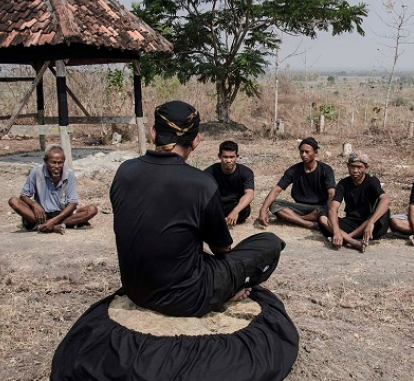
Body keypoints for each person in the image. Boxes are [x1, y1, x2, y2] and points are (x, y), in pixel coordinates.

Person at [110, 101, 285, 317]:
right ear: (196, 140)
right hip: (186, 299)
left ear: (153, 133)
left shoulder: (124, 171)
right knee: (270, 243)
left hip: (136, 290)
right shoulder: (201, 183)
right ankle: (226, 292)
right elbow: (222, 250)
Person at [8, 145, 98, 234]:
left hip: (61, 215)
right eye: (53, 162)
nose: (57, 166)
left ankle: (47, 225)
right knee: (13, 201)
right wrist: (34, 204)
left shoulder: (69, 174)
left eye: (60, 163)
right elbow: (23, 196)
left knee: (92, 210)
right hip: (40, 215)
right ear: (45, 161)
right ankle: (53, 226)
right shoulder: (37, 172)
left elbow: (73, 203)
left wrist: (54, 220)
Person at [318, 150, 391, 252]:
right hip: (352, 222)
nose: (355, 170)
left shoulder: (372, 181)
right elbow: (333, 208)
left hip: (369, 226)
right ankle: (352, 241)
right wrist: (336, 231)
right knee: (323, 216)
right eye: (352, 167)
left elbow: (386, 199)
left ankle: (346, 238)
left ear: (366, 168)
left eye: (359, 167)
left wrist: (371, 222)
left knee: (384, 211)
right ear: (348, 166)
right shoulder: (343, 184)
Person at [256, 137, 335, 230]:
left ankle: (295, 219)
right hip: (299, 207)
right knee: (274, 204)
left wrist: (330, 210)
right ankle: (308, 224)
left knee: (325, 209)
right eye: (301, 152)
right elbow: (276, 190)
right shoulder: (294, 170)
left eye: (307, 152)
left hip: (318, 207)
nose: (304, 155)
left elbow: (332, 194)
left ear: (315, 152)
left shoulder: (326, 170)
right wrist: (263, 210)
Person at [204, 140, 254, 227]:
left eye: (232, 157)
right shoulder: (210, 172)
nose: (228, 160)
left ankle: (221, 220)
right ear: (219, 156)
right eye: (225, 157)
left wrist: (235, 211)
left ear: (237, 157)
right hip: (217, 204)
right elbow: (201, 193)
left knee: (245, 209)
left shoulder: (246, 172)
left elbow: (249, 194)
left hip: (234, 205)